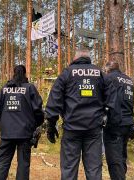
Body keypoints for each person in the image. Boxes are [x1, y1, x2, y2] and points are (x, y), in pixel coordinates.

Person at [45, 48, 105, 180]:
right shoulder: (99, 73)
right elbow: (110, 97)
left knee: (69, 169)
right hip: (94, 129)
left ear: (75, 59)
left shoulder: (67, 73)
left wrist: (51, 124)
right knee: (94, 169)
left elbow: (55, 100)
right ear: (89, 59)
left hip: (72, 128)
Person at [0, 65, 44, 180]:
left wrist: (4, 122)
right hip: (25, 133)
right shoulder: (30, 88)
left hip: (7, 133)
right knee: (23, 165)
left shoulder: (4, 89)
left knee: (2, 164)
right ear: (25, 74)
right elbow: (38, 110)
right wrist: (35, 125)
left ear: (13, 73)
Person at [103, 60, 134, 180]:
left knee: (114, 160)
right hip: (128, 123)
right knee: (122, 157)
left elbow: (105, 98)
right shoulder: (129, 80)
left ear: (107, 69)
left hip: (115, 124)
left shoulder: (109, 79)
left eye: (105, 70)